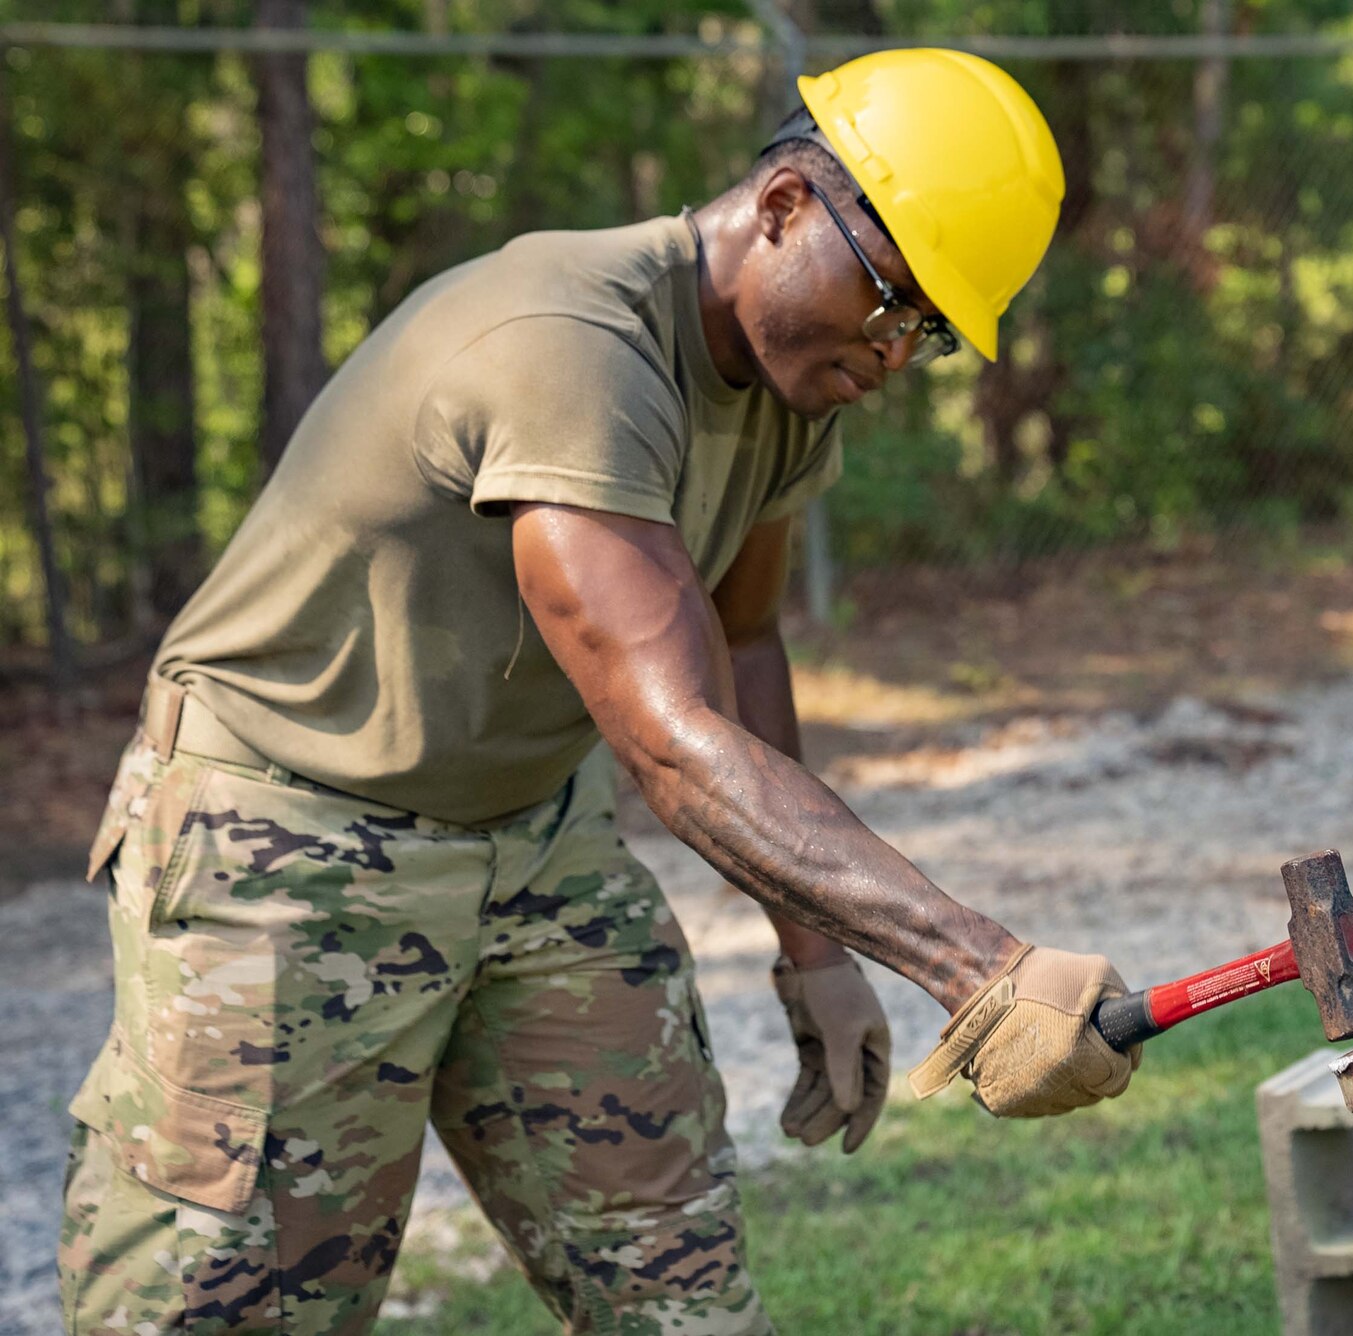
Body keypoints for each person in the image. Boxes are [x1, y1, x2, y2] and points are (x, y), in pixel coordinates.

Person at [58, 49, 1139, 1336]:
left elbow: (740, 650)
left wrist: (819, 955)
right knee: (228, 1309)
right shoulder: (569, 345)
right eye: (894, 299)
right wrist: (977, 970)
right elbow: (671, 746)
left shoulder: (796, 385)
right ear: (785, 204)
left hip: (533, 835)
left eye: (930, 333)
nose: (895, 354)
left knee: (680, 1298)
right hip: (287, 834)